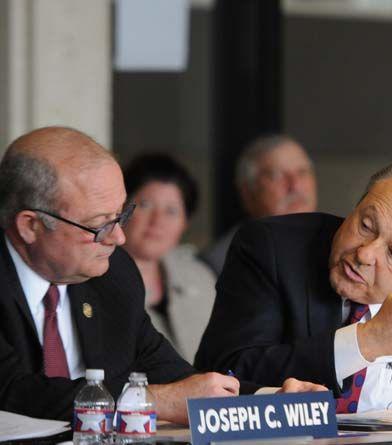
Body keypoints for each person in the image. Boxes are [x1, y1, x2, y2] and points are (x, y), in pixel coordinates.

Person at [0, 126, 324, 423]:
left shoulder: (113, 274)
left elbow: (173, 377)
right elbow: (13, 394)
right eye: (99, 225)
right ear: (30, 225)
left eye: (121, 216)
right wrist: (152, 401)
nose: (118, 238)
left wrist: (271, 401)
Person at [195, 160, 392, 413]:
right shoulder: (274, 249)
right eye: (365, 225)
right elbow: (225, 374)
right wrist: (366, 341)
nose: (364, 254)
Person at [122, 154, 215, 363]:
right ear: (122, 209)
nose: (157, 220)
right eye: (145, 205)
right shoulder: (93, 279)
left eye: (171, 211)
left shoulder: (200, 278)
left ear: (185, 223)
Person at [201, 134, 317, 274]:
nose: (295, 186)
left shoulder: (340, 247)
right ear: (247, 192)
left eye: (302, 172)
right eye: (277, 176)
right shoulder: (220, 264)